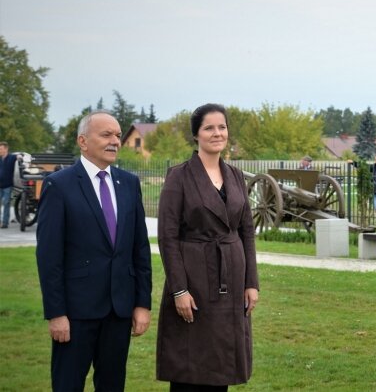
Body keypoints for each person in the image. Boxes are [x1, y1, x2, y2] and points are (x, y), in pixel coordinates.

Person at [35, 111, 152, 391]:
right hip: (75, 313)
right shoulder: (59, 185)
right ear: (83, 141)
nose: (115, 141)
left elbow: (140, 249)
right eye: (106, 134)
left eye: (117, 134)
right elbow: (49, 257)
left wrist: (142, 303)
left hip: (119, 310)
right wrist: (56, 313)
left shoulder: (129, 183)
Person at [156, 103, 259, 391]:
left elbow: (246, 232)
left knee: (221, 366)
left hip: (232, 279)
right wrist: (179, 289)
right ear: (196, 135)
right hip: (195, 279)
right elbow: (167, 236)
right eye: (209, 128)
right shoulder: (180, 176)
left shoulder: (236, 176)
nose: (217, 133)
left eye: (222, 127)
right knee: (192, 362)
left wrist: (252, 282)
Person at [0, 142, 17, 228]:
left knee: (6, 203)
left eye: (1, 149)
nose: (0, 150)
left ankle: (5, 223)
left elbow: (19, 156)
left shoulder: (12, 157)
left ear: (6, 149)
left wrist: (20, 157)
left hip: (7, 185)